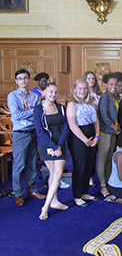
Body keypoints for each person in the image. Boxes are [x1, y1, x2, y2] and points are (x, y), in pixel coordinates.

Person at [8, 68, 45, 207]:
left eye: (25, 78)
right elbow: (15, 115)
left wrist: (29, 114)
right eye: (20, 78)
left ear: (29, 79)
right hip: (20, 134)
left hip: (32, 132)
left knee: (31, 164)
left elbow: (37, 115)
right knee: (18, 165)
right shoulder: (12, 96)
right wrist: (31, 112)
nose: (23, 80)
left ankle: (32, 190)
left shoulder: (34, 96)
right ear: (16, 81)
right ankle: (18, 194)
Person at [33, 80, 70, 220]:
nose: (53, 94)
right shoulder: (38, 109)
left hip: (59, 145)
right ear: (45, 93)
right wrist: (53, 147)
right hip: (45, 146)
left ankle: (47, 205)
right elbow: (40, 131)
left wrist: (59, 146)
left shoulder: (60, 107)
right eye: (50, 92)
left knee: (57, 174)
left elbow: (65, 127)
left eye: (55, 92)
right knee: (55, 173)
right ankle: (50, 203)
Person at [66, 79, 99, 207]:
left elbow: (96, 121)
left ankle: (85, 192)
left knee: (89, 165)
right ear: (75, 89)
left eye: (85, 88)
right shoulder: (72, 104)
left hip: (92, 136)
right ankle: (77, 195)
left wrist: (96, 136)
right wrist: (85, 139)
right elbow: (72, 125)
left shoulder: (90, 102)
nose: (82, 91)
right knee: (80, 166)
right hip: (78, 139)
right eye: (80, 88)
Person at [97, 73, 121, 198]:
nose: (114, 86)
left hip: (112, 132)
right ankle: (102, 185)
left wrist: (117, 126)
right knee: (102, 159)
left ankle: (107, 181)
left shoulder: (114, 97)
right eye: (111, 84)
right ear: (106, 85)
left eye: (116, 84)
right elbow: (103, 116)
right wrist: (114, 126)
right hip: (105, 132)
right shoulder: (104, 98)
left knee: (109, 158)